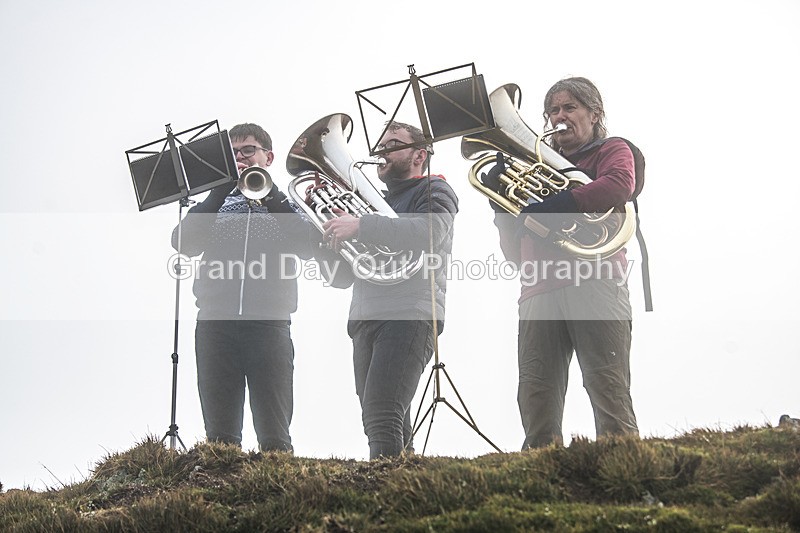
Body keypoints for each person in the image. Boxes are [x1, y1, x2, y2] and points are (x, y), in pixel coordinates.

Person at [485, 77, 639, 448]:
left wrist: (563, 203)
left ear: (594, 113)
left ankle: (626, 471)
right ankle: (541, 478)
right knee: (536, 391)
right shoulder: (533, 163)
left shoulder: (612, 148)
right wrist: (502, 207)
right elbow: (514, 255)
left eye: (569, 108)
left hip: (596, 278)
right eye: (553, 110)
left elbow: (620, 184)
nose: (559, 116)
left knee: (606, 383)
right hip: (539, 287)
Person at [315, 121, 459, 459]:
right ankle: (405, 489)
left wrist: (361, 225)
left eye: (393, 144)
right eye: (380, 145)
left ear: (420, 155)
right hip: (366, 316)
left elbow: (430, 232)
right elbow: (341, 277)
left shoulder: (435, 190)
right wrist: (328, 235)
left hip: (411, 313)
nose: (382, 151)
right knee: (385, 415)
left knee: (381, 411)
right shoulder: (369, 201)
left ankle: (385, 494)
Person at [171, 123, 317, 453]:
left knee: (275, 437)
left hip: (269, 325)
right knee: (220, 440)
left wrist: (272, 199)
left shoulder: (288, 204)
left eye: (248, 150)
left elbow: (307, 243)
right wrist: (219, 190)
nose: (241, 158)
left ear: (268, 157)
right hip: (214, 326)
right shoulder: (218, 203)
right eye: (233, 153)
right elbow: (182, 241)